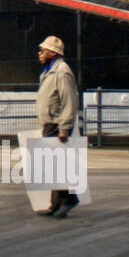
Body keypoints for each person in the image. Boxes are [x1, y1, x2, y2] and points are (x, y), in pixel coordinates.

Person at [35, 35, 81, 218]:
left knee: (56, 166)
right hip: (49, 124)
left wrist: (64, 128)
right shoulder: (49, 71)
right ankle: (55, 204)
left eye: (43, 50)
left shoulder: (62, 71)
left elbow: (69, 100)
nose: (39, 53)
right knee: (52, 165)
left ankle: (69, 198)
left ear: (52, 53)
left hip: (56, 125)